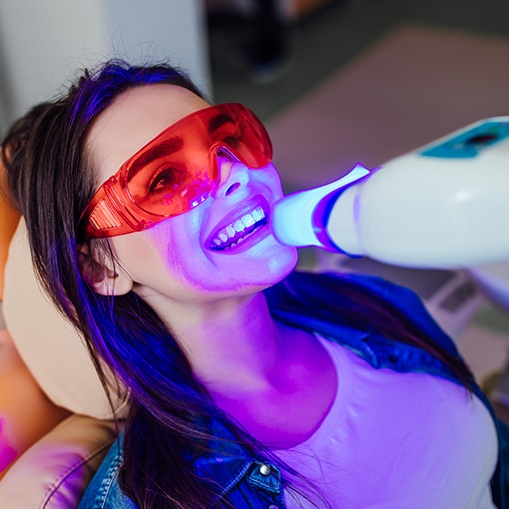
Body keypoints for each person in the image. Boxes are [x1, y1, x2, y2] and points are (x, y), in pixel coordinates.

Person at [3, 59, 508, 509]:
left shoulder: (370, 301)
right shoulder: (152, 499)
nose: (234, 174)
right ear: (102, 269)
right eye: (163, 179)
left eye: (228, 138)